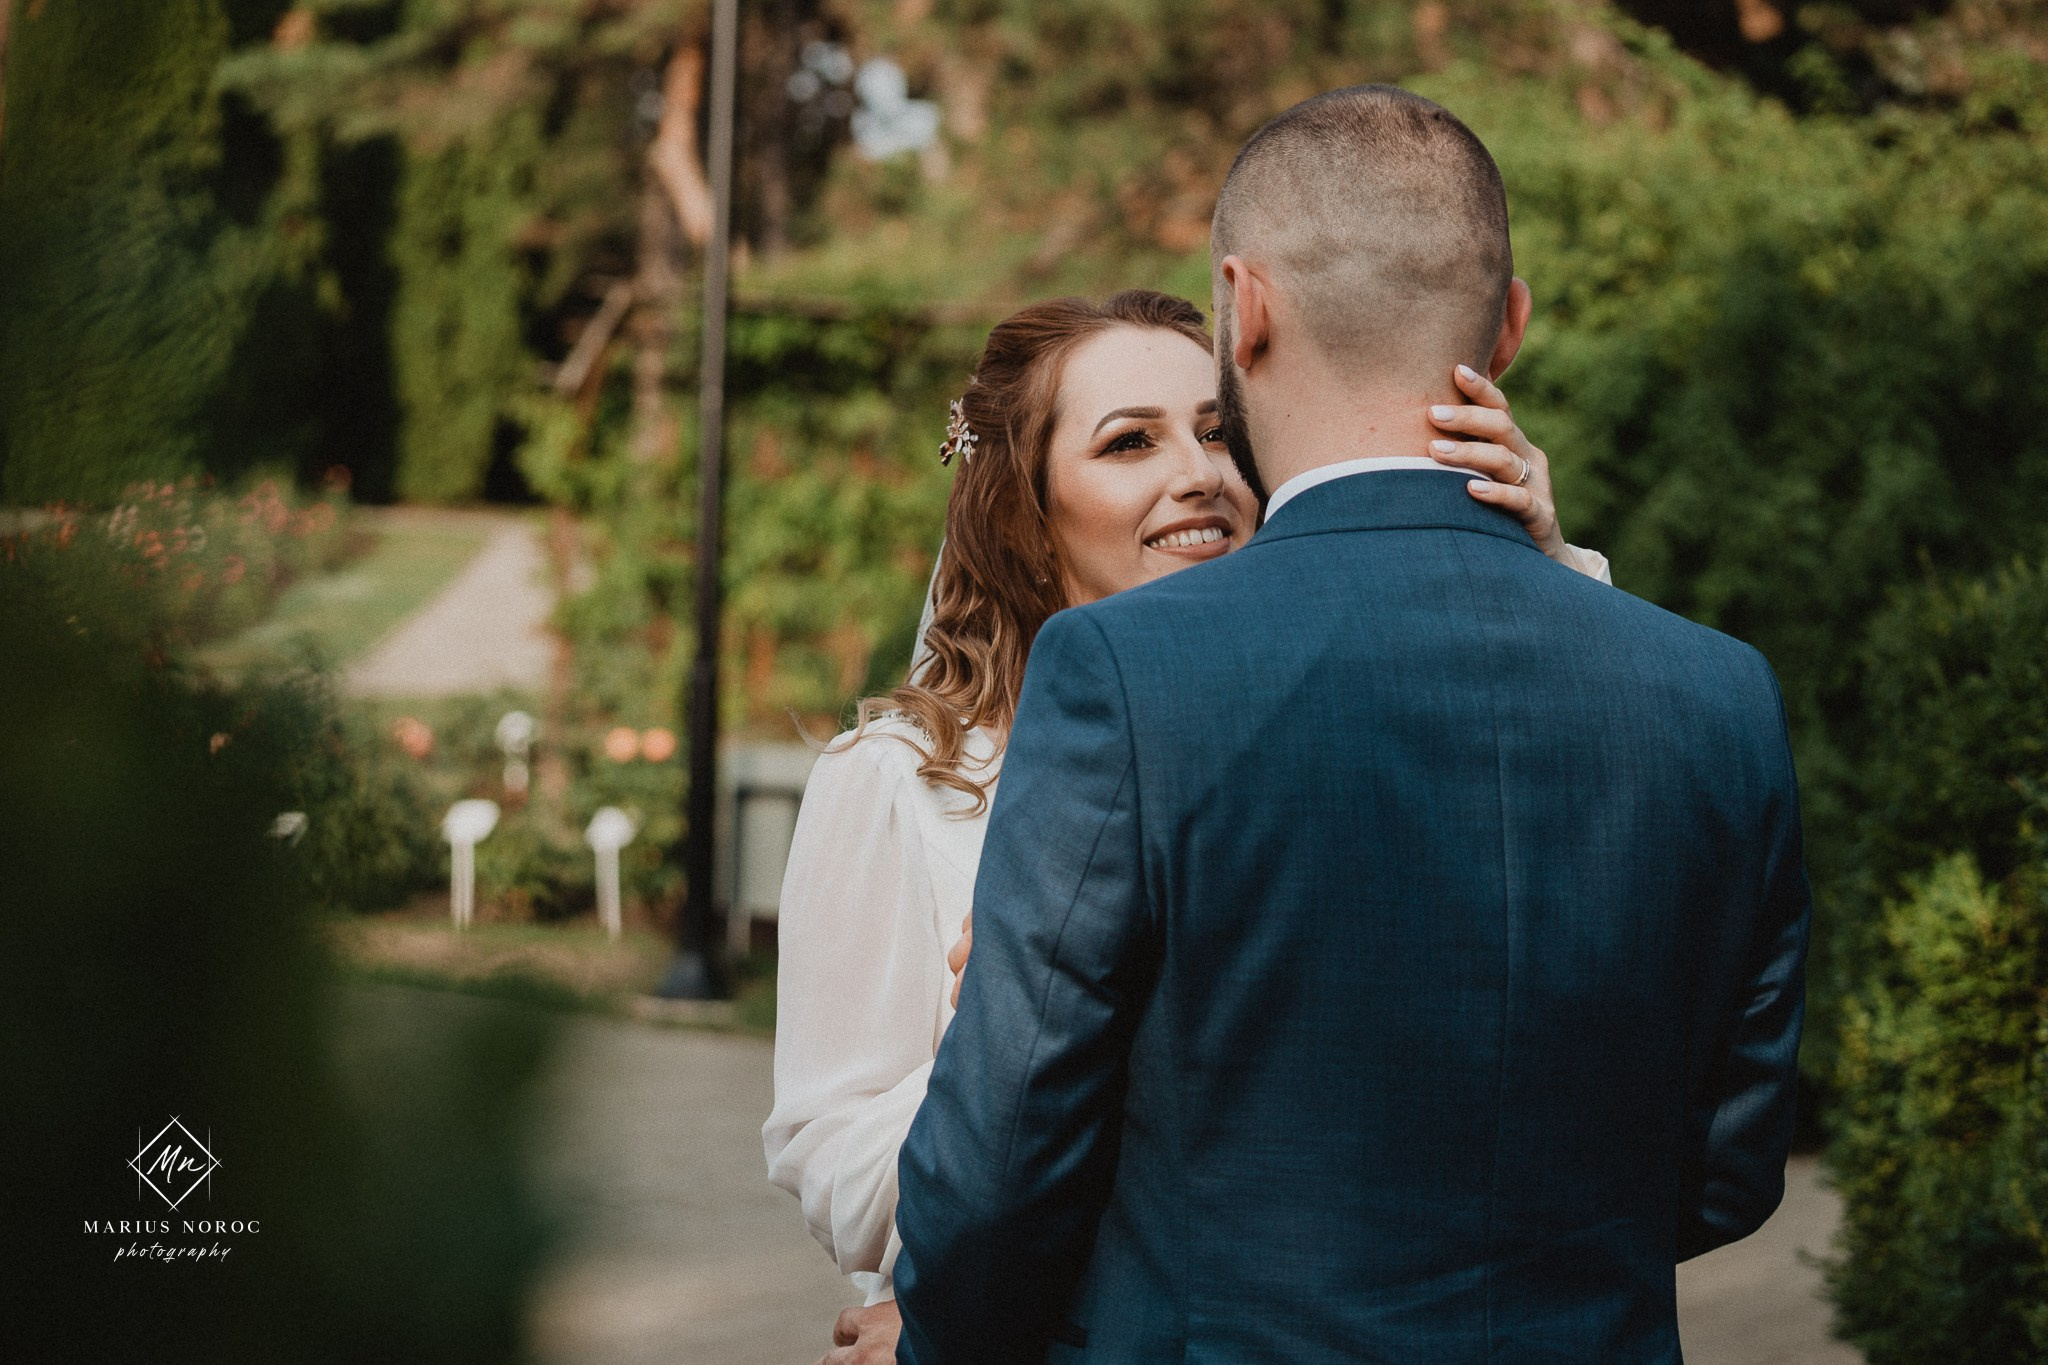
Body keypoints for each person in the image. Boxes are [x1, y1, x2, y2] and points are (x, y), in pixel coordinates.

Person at [890, 85, 1809, 1364]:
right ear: (1510, 324)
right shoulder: (1717, 694)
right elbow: (1729, 1168)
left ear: (1242, 309)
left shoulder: (1124, 668)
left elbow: (997, 1173)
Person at [765, 281, 1610, 1361]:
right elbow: (830, 1160)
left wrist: (1548, 567)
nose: (1199, 473)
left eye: (1217, 433)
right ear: (1026, 513)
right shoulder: (897, 781)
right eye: (1130, 442)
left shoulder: (1337, 728)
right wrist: (1010, 1035)